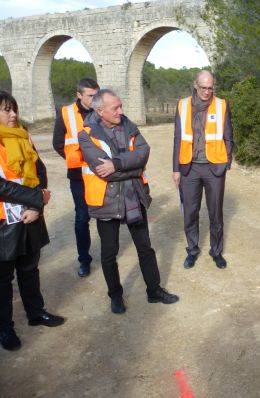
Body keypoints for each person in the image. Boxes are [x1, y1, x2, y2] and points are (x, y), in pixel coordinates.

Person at [79, 89, 179, 314]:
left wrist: (116, 163)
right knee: (109, 253)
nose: (120, 111)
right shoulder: (86, 134)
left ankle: (154, 291)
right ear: (100, 110)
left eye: (120, 106)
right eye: (115, 108)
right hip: (106, 201)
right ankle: (115, 296)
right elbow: (104, 172)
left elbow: (144, 152)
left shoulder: (128, 125)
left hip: (134, 196)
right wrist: (131, 168)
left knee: (145, 247)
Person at [0, 91, 65, 351]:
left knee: (30, 269)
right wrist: (36, 198)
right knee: (3, 279)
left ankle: (36, 313)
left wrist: (36, 205)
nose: (13, 114)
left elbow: (40, 170)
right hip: (4, 222)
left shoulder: (23, 135)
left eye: (14, 108)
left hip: (29, 215)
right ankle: (5, 328)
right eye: (6, 109)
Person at [173, 70, 233, 270]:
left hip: (214, 168)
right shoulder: (182, 106)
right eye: (203, 88)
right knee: (190, 211)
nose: (207, 92)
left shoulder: (222, 105)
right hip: (189, 168)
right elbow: (178, 139)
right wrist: (176, 169)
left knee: (216, 213)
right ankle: (192, 250)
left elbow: (228, 136)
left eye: (210, 88)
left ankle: (216, 252)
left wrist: (226, 161)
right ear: (195, 85)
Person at [52, 78, 99, 277]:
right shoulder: (66, 113)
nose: (94, 99)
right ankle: (84, 260)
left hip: (101, 174)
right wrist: (74, 159)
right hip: (79, 176)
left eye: (96, 94)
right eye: (90, 95)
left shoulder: (101, 109)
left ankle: (108, 257)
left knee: (106, 216)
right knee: (82, 218)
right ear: (79, 95)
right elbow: (57, 143)